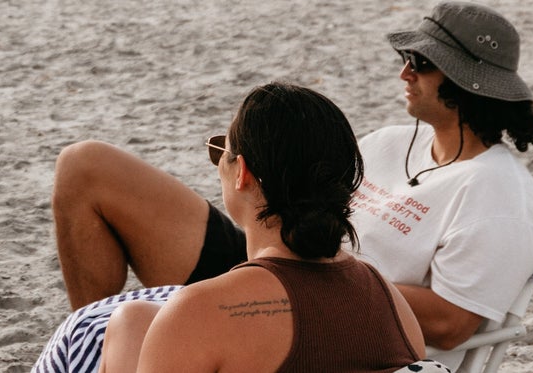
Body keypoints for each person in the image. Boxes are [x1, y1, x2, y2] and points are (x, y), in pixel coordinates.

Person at [51, 1, 533, 352]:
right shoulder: (388, 142)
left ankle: (102, 341)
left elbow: (451, 322)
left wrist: (320, 281)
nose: (404, 72)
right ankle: (92, 337)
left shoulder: (500, 195)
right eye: (406, 58)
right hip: (271, 264)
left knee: (129, 321)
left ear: (468, 82)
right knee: (86, 165)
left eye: (420, 63)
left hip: (322, 313)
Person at [33, 82, 426, 373]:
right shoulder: (391, 305)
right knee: (132, 320)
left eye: (220, 151)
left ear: (242, 173)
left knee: (119, 323)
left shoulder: (200, 314)